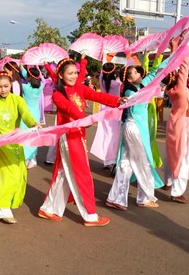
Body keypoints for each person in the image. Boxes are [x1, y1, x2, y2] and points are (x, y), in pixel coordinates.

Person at [38, 57, 126, 227]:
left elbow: (96, 95)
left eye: (75, 73)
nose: (73, 76)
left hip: (79, 135)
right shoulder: (58, 94)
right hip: (69, 137)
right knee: (82, 174)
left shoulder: (79, 87)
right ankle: (90, 215)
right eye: (69, 73)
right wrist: (85, 119)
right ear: (61, 75)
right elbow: (70, 109)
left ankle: (48, 208)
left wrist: (117, 101)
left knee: (64, 174)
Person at [105, 64, 164, 210]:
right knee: (142, 162)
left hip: (132, 128)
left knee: (126, 164)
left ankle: (116, 198)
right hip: (135, 129)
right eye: (136, 73)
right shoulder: (132, 92)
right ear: (130, 78)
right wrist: (160, 70)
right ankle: (144, 197)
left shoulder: (135, 89)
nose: (140, 74)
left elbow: (153, 77)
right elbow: (153, 78)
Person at [0, 72, 41, 224]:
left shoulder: (17, 100)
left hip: (15, 142)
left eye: (5, 86)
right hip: (1, 143)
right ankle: (2, 208)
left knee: (18, 173)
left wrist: (33, 123)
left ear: (11, 85)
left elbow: (26, 114)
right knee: (9, 174)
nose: (2, 90)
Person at [162, 43, 189, 204]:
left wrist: (174, 48)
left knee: (170, 153)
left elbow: (173, 68)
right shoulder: (180, 89)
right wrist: (184, 46)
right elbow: (182, 66)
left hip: (174, 122)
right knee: (183, 158)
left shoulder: (170, 89)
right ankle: (177, 190)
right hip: (182, 124)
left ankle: (167, 181)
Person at [90, 62, 122, 169]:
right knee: (113, 135)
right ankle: (110, 160)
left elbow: (102, 74)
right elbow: (122, 74)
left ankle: (106, 160)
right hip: (114, 109)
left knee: (104, 133)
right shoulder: (117, 82)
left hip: (104, 108)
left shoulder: (101, 81)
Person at [20, 66, 45, 169]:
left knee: (25, 137)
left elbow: (27, 77)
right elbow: (38, 78)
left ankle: (25, 159)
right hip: (36, 114)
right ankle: (32, 159)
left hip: (26, 116)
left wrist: (21, 67)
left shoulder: (24, 87)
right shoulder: (41, 86)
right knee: (33, 136)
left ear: (28, 77)